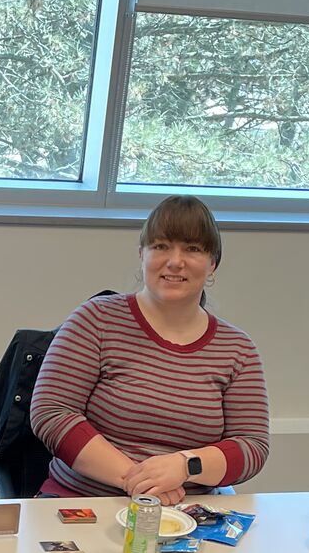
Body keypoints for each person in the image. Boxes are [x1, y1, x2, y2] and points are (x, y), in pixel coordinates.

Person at [28, 196, 269, 503]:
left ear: (213, 264)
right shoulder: (96, 319)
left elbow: (252, 445)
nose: (175, 261)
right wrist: (138, 480)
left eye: (192, 249)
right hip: (83, 501)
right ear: (142, 254)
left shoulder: (237, 349)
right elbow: (52, 412)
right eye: (161, 246)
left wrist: (184, 466)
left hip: (188, 515)